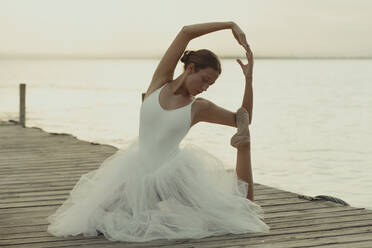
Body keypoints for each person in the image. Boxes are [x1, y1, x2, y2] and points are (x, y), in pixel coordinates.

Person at [47, 21, 270, 243]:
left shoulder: (198, 107)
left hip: (170, 177)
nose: (204, 87)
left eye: (210, 85)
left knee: (240, 213)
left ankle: (243, 164)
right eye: (204, 80)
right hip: (133, 171)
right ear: (190, 68)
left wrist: (248, 80)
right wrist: (230, 25)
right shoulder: (159, 82)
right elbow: (186, 32)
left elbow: (244, 119)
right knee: (93, 219)